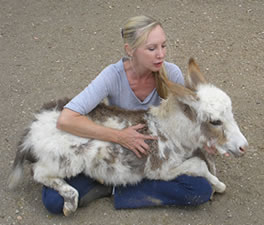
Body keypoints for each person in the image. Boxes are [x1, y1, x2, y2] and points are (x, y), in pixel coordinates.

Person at [42, 15, 213, 214]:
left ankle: (113, 187)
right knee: (53, 200)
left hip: (157, 157)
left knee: (200, 189)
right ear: (130, 50)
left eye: (163, 46)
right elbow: (66, 119)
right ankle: (119, 184)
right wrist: (120, 137)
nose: (161, 55)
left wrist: (209, 140)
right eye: (152, 48)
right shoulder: (112, 76)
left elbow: (190, 118)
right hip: (114, 155)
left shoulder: (171, 74)